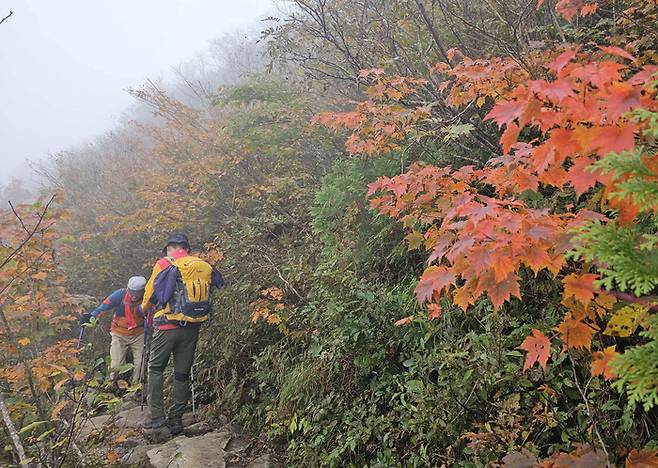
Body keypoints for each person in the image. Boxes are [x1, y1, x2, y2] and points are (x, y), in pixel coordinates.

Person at [141, 232, 224, 434]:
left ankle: (157, 418)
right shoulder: (201, 264)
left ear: (169, 248)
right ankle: (176, 419)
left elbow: (150, 294)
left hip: (167, 325)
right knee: (182, 373)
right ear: (187, 248)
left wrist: (144, 309)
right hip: (192, 327)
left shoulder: (163, 264)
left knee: (156, 368)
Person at [80, 276, 147, 392]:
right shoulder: (120, 295)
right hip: (119, 333)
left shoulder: (147, 298)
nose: (135, 296)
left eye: (138, 293)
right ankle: (113, 386)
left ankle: (136, 388)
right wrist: (91, 316)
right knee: (116, 363)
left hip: (138, 334)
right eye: (132, 292)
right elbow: (104, 307)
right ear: (128, 289)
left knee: (140, 363)